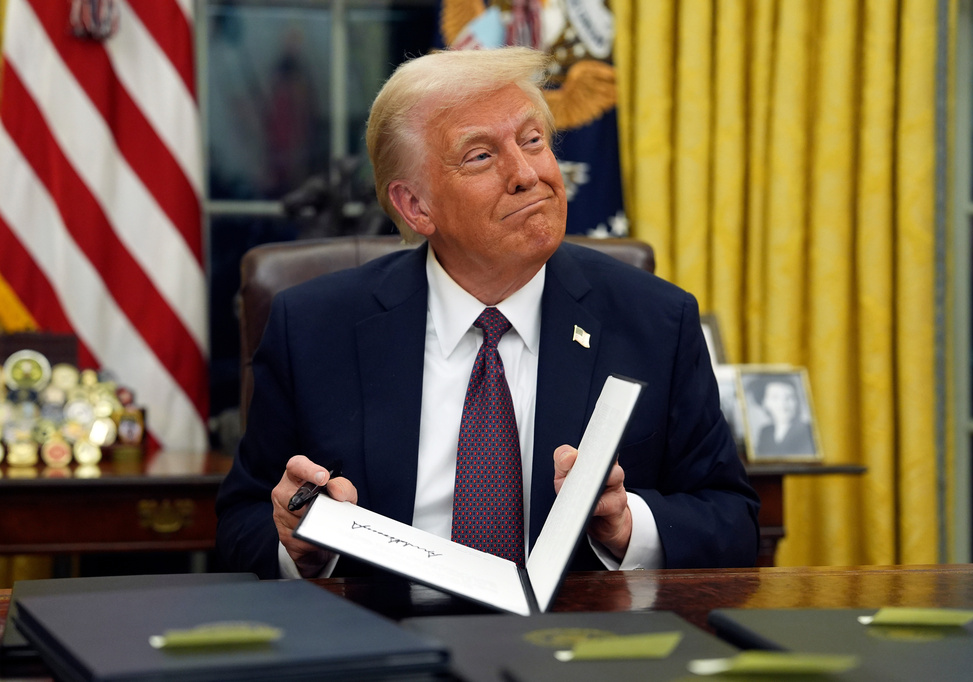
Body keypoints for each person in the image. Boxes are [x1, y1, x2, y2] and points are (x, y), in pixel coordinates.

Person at [215, 46, 760, 580]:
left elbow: (733, 522)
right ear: (415, 205)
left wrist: (625, 525)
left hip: (572, 647)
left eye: (533, 140)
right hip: (389, 643)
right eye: (481, 155)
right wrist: (303, 548)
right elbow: (241, 526)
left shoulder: (656, 322)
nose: (527, 173)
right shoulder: (313, 329)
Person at [751, 375, 816, 456]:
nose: (783, 404)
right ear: (764, 403)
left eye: (789, 397)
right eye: (775, 398)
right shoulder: (765, 432)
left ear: (797, 401)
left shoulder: (808, 430)